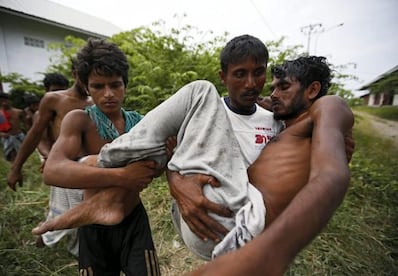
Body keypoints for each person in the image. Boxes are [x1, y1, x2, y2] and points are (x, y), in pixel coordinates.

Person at [33, 37, 354, 268]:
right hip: (213, 214)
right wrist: (176, 181)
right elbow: (176, 152)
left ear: (312, 91)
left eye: (277, 84)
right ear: (225, 76)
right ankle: (111, 192)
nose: (265, 90)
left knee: (198, 92)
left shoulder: (319, 111)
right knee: (200, 94)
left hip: (238, 223)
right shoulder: (269, 120)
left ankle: (105, 167)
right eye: (243, 74)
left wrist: (274, 251)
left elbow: (331, 174)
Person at [185, 55, 354, 275]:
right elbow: (263, 100)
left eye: (284, 87)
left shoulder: (329, 106)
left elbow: (332, 175)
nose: (274, 94)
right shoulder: (285, 121)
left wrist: (270, 254)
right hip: (237, 214)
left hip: (260, 231)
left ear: (312, 90)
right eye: (273, 88)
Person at [41, 38, 161, 275]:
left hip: (133, 218)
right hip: (93, 224)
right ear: (86, 86)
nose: (108, 94)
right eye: (98, 86)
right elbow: (52, 170)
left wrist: (162, 155)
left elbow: (154, 168)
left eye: (115, 85)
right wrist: (123, 176)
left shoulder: (140, 123)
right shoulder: (80, 121)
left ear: (125, 84)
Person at [7, 70, 91, 257]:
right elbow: (36, 134)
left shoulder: (95, 101)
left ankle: (83, 251)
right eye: (86, 73)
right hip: (64, 166)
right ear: (75, 73)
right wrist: (16, 168)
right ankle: (42, 240)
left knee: (85, 212)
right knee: (62, 214)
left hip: (89, 168)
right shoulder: (54, 100)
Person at [0, 92, 26, 162]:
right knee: (12, 156)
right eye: (0, 101)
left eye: (4, 100)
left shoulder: (19, 112)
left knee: (24, 155)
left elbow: (27, 125)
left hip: (19, 136)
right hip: (7, 138)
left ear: (9, 100)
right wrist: (2, 134)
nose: (3, 103)